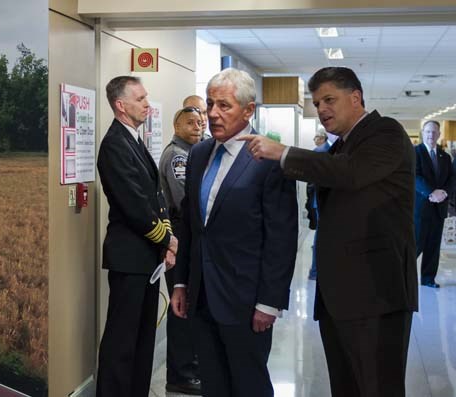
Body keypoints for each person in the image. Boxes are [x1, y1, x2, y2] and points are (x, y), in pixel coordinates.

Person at [239, 66, 418, 397]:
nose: (321, 109)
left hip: (377, 293)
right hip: (341, 297)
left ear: (356, 97)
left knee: (378, 386)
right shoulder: (340, 147)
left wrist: (283, 153)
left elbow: (349, 173)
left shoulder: (386, 133)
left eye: (329, 100)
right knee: (346, 385)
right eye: (317, 102)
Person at [171, 68, 298, 397]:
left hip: (245, 300)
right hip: (202, 296)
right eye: (209, 104)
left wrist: (269, 303)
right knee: (214, 383)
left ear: (248, 110)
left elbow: (281, 239)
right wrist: (182, 281)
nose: (212, 114)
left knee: (249, 383)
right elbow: (191, 225)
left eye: (223, 106)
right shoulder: (199, 154)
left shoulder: (269, 158)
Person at [96, 76, 178, 397]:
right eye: (140, 99)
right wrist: (167, 240)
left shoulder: (133, 139)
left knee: (143, 337)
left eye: (146, 97)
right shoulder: (114, 145)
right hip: (129, 257)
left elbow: (157, 197)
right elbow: (135, 206)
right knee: (122, 340)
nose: (147, 103)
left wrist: (165, 241)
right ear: (121, 105)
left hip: (146, 257)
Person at [158, 106, 203, 395]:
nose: (197, 126)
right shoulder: (178, 156)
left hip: (188, 235)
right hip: (179, 234)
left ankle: (191, 366)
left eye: (200, 122)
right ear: (176, 125)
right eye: (190, 122)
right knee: (180, 306)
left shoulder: (192, 153)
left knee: (188, 305)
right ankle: (180, 374)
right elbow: (185, 199)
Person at [414, 120, 455, 288]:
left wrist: (444, 192)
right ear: (423, 133)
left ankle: (428, 278)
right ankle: (402, 278)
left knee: (433, 246)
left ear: (439, 134)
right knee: (416, 245)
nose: (431, 135)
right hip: (421, 208)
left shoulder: (444, 156)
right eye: (428, 131)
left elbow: (452, 178)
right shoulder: (415, 152)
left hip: (439, 208)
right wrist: (430, 192)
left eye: (434, 132)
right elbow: (414, 176)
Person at [306, 128, 331, 280]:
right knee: (321, 236)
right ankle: (315, 271)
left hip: (322, 200)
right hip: (321, 200)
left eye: (317, 136)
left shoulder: (322, 151)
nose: (315, 139)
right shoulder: (320, 152)